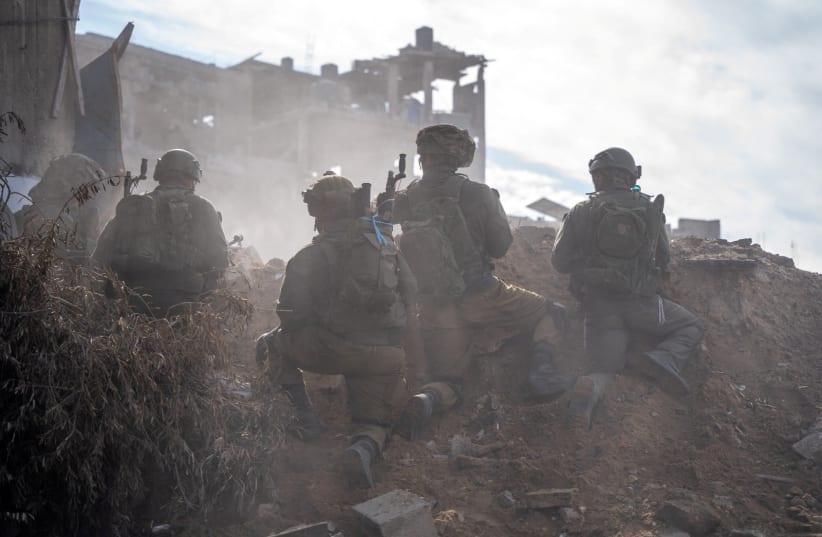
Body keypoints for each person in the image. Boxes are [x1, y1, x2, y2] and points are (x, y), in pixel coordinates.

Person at [392, 124, 570, 439]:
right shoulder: (477, 193)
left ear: (424, 157)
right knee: (552, 311)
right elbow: (501, 247)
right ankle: (542, 376)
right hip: (482, 296)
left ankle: (427, 399)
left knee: (451, 382)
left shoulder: (405, 197)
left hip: (433, 307)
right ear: (458, 156)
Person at [256, 173, 417, 488]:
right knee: (372, 423)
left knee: (272, 344)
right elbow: (412, 297)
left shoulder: (309, 256)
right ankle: (363, 447)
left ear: (317, 212)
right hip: (385, 357)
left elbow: (289, 315)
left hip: (332, 349)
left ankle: (305, 420)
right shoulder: (386, 249)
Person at [551, 147, 704, 429]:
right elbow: (664, 258)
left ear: (597, 177)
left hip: (598, 310)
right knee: (691, 325)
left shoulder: (580, 211)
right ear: (631, 176)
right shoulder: (649, 209)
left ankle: (590, 387)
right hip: (644, 306)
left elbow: (559, 262)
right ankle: (661, 360)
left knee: (603, 371)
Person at [93, 149, 228, 316]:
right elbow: (220, 261)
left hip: (134, 302)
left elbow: (101, 255)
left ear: (160, 173)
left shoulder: (136, 204)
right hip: (185, 304)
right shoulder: (205, 208)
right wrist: (204, 299)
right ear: (192, 177)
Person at [16, 153, 107, 258]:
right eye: (87, 192)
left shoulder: (45, 210)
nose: (90, 198)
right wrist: (92, 240)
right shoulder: (56, 218)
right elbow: (69, 266)